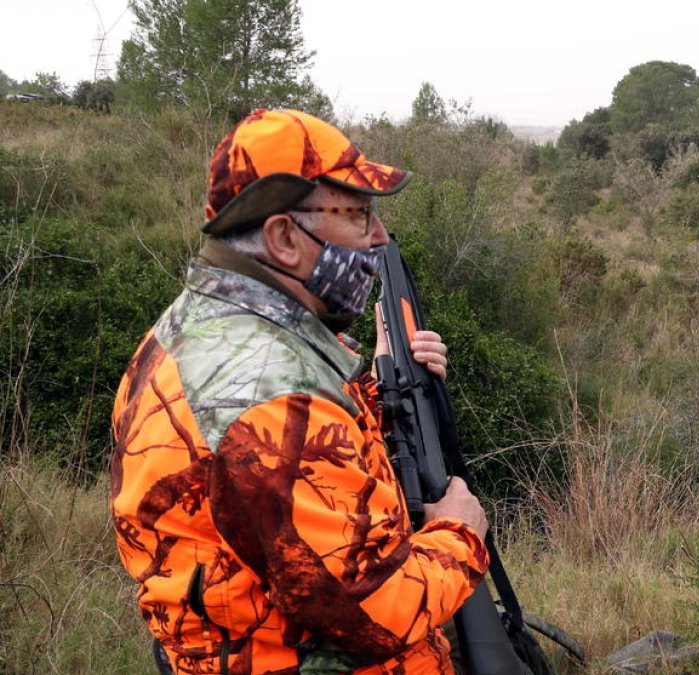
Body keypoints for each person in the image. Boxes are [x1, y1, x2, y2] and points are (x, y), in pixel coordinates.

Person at [110, 109, 489, 674]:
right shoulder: (268, 390)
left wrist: (374, 389)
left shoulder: (201, 327)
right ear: (285, 236)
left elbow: (288, 475)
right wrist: (461, 532)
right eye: (359, 215)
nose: (379, 237)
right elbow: (374, 616)